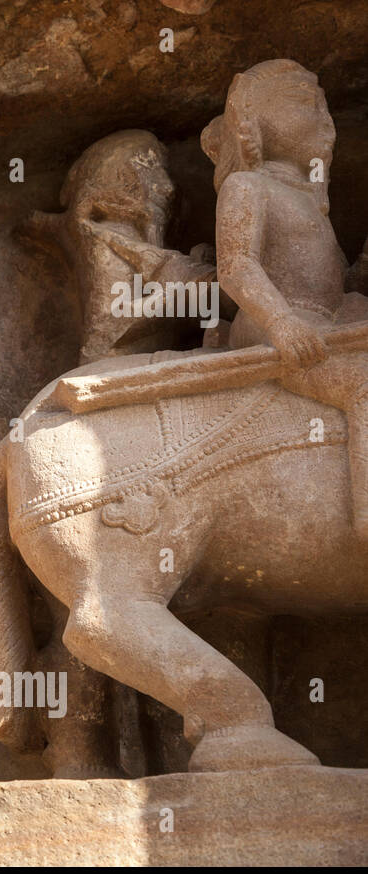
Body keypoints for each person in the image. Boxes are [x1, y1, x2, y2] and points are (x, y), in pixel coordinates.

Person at [205, 59, 368, 530]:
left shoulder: (311, 205)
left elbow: (338, 284)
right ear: (251, 119)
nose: (325, 119)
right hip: (271, 326)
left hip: (325, 320)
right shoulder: (248, 186)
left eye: (325, 106)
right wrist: (281, 321)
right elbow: (236, 265)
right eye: (305, 102)